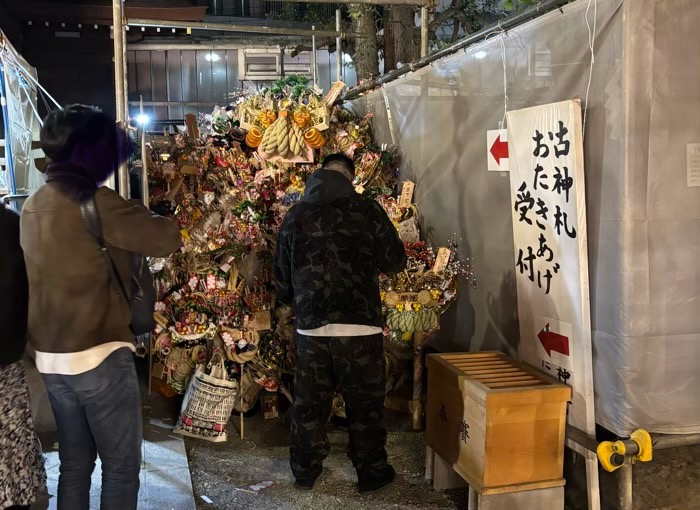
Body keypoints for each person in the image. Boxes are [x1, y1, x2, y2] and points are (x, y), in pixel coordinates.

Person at [20, 105, 182, 510]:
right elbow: (165, 239)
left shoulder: (32, 204)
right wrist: (157, 214)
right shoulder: (96, 201)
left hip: (51, 357)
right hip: (99, 352)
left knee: (75, 464)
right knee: (121, 467)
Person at [274, 153, 407, 493]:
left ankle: (305, 472)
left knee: (309, 407)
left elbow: (282, 279)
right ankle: (371, 472)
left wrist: (295, 301)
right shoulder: (368, 210)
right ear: (350, 178)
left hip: (312, 329)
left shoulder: (296, 216)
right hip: (360, 327)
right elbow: (395, 261)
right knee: (365, 407)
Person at [0, 205, 46, 510]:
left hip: (8, 363)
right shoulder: (12, 225)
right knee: (12, 458)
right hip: (6, 364)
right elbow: (32, 296)